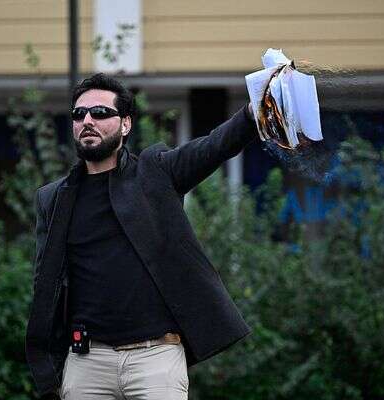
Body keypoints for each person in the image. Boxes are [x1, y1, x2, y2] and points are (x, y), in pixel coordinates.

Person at [25, 73, 257, 400]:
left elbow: (214, 146)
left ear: (125, 124)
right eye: (79, 114)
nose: (87, 121)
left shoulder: (154, 173)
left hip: (156, 358)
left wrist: (253, 113)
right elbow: (44, 284)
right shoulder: (53, 199)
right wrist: (47, 367)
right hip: (87, 362)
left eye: (100, 113)